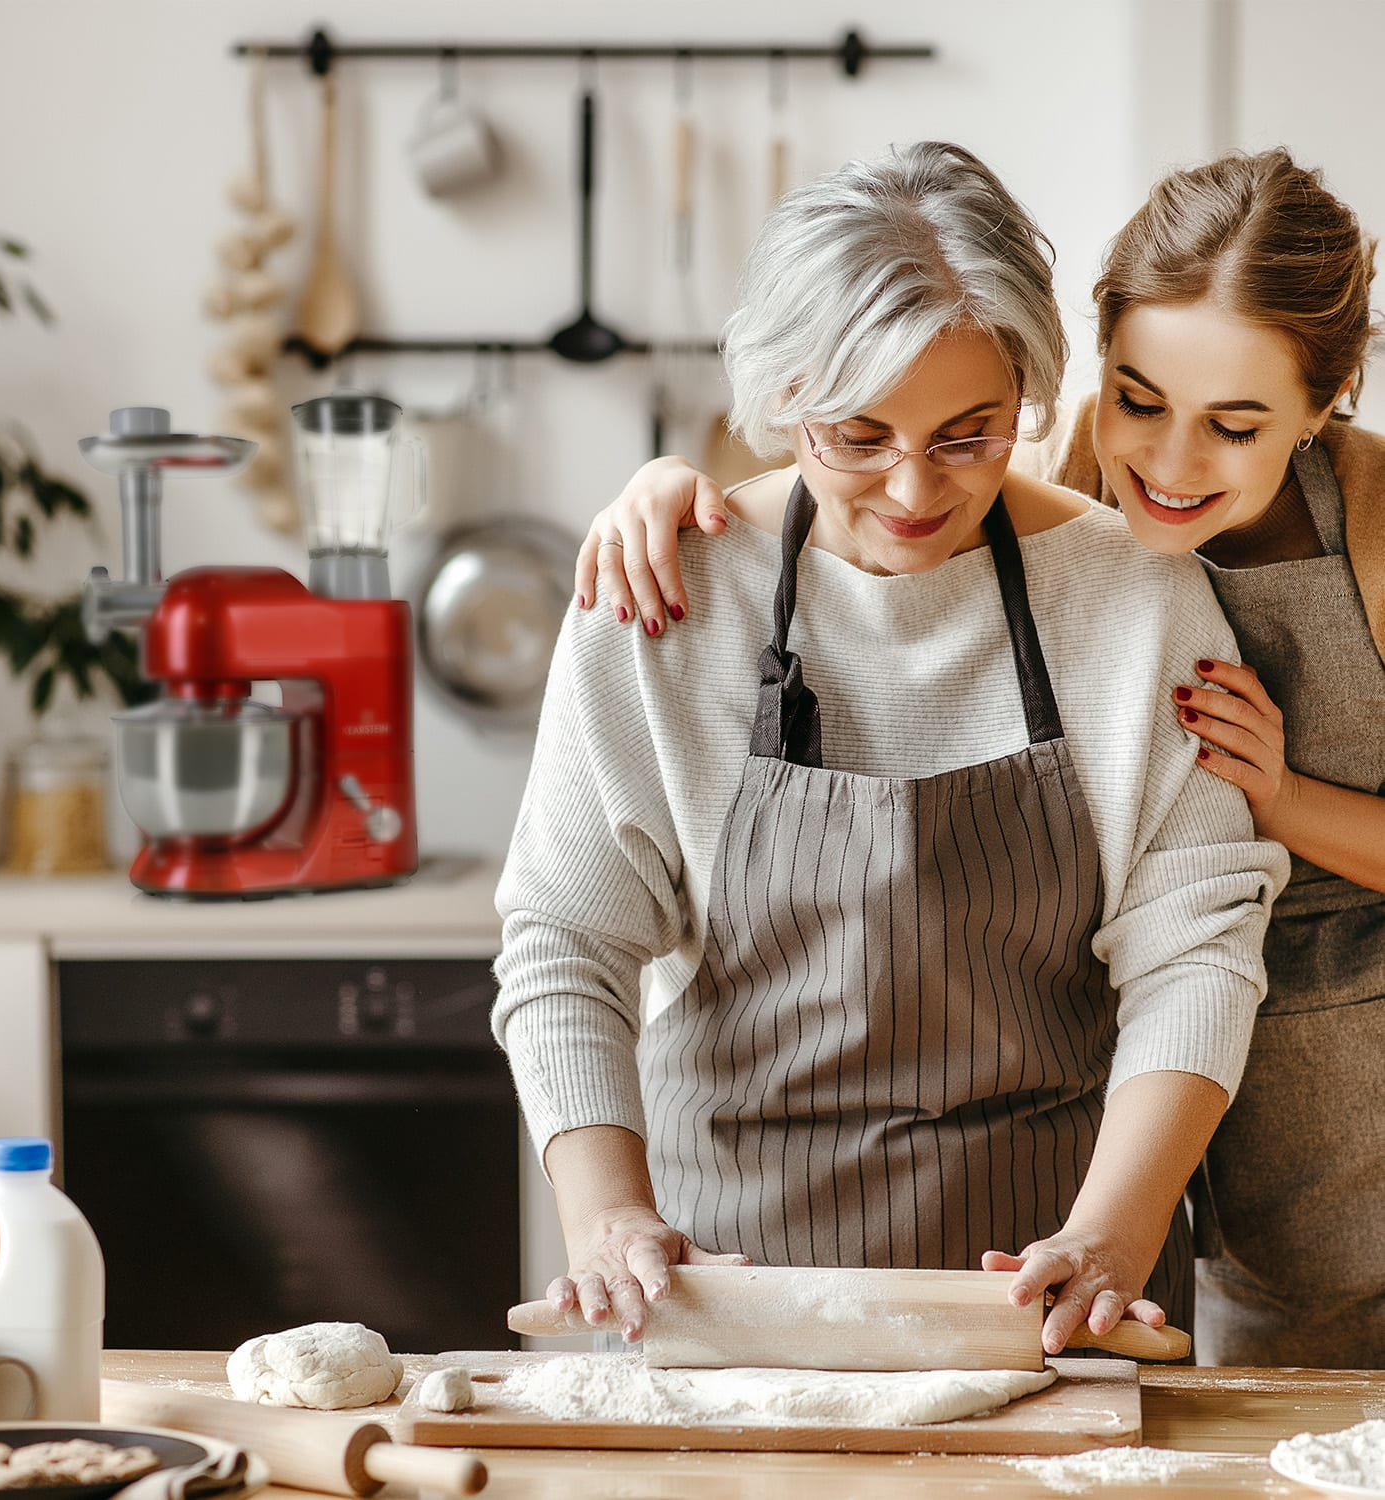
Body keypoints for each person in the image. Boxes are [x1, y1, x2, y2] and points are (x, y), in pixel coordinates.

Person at [577, 146, 1385, 1368]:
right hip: (826, 1232)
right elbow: (565, 932)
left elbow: (1196, 936)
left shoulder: (1262, 551)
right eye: (1140, 402)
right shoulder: (1040, 504)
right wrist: (667, 489)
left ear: (1328, 408)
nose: (1167, 465)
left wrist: (1282, 800)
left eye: (1235, 426)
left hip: (1276, 1124)